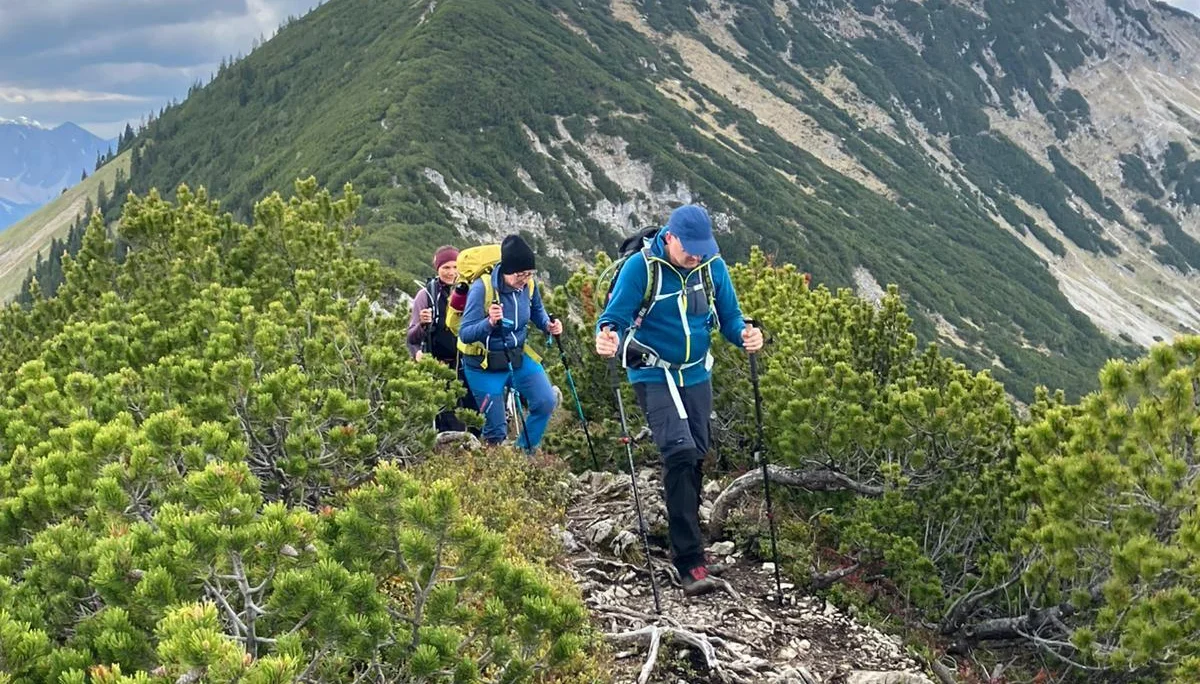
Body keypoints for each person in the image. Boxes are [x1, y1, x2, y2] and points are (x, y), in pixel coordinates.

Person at [594, 204, 763, 596]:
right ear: (670, 237)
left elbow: (730, 318)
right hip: (653, 370)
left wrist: (746, 335)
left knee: (698, 450)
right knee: (680, 452)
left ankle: (691, 543)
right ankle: (689, 563)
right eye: (691, 249)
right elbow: (613, 317)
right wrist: (607, 335)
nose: (697, 256)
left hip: (696, 371)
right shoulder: (642, 268)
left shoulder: (712, 267)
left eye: (703, 249)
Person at [457, 235, 563, 450]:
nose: (524, 279)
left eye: (529, 274)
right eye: (520, 274)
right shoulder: (482, 289)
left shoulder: (529, 286)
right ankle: (497, 474)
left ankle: (523, 454)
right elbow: (465, 333)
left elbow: (536, 310)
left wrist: (547, 325)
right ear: (506, 270)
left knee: (545, 401)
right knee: (495, 432)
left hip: (516, 356)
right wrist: (489, 323)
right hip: (483, 365)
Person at [407, 245, 478, 433]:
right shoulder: (426, 295)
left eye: (455, 267)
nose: (451, 272)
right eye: (446, 267)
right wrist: (422, 324)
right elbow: (411, 338)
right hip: (440, 369)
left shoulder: (471, 291)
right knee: (448, 419)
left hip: (468, 364)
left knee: (475, 415)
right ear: (437, 268)